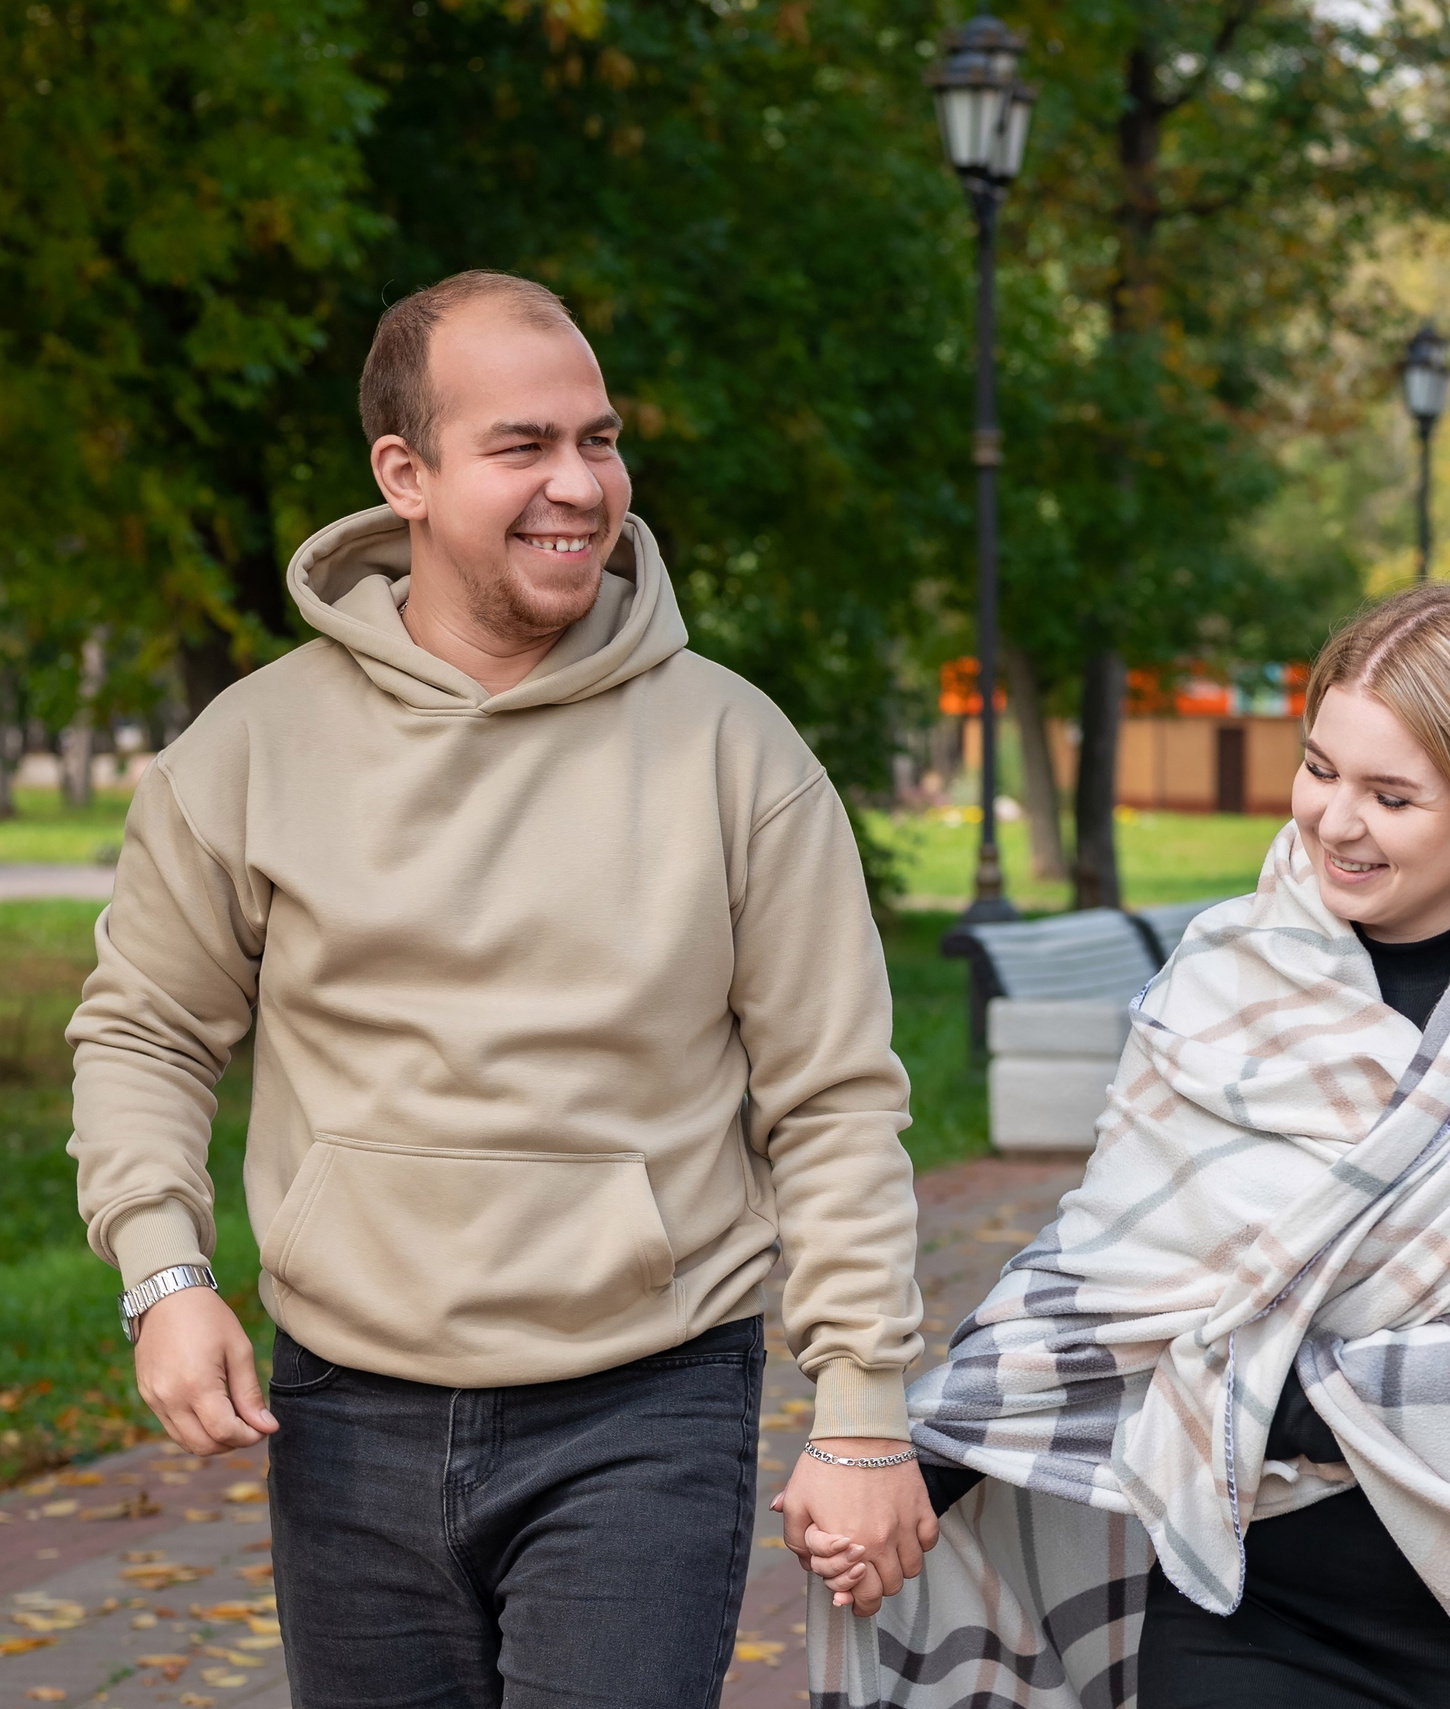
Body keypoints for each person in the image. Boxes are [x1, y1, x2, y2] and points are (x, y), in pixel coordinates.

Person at [67, 269, 934, 1708]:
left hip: (647, 1398)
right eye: (523, 445)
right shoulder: (251, 748)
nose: (580, 485)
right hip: (343, 1403)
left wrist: (860, 1410)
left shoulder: (737, 750)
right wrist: (164, 1273)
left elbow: (833, 1098)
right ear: (403, 474)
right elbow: (146, 1031)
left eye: (597, 440)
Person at [807, 582, 1450, 1709]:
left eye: (1391, 795)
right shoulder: (1221, 976)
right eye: (1320, 769)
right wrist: (914, 1452)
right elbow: (1105, 1275)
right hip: (1248, 1606)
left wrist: (1248, 1382)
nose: (1335, 820)